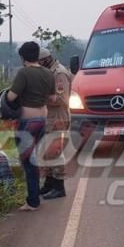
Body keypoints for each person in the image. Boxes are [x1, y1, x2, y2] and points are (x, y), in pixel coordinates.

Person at [6, 41, 56, 211]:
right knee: (35, 158)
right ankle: (35, 195)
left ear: (23, 57)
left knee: (28, 162)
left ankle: (33, 201)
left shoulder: (24, 73)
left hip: (27, 123)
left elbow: (11, 97)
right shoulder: (49, 73)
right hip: (43, 120)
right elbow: (53, 99)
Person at [38, 48, 74, 200]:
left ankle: (59, 187)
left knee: (55, 152)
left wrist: (39, 98)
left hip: (58, 118)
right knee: (47, 153)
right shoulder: (49, 72)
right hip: (50, 118)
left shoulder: (59, 74)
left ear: (45, 60)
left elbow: (61, 99)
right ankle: (49, 184)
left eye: (39, 62)